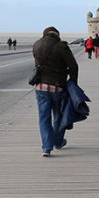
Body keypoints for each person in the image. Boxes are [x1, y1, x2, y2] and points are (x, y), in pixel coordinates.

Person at [32, 26, 78, 157]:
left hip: (41, 87)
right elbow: (73, 66)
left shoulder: (36, 45)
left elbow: (37, 66)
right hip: (58, 87)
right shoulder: (61, 47)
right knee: (58, 115)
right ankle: (58, 141)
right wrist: (73, 83)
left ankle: (46, 147)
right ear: (57, 35)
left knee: (44, 118)